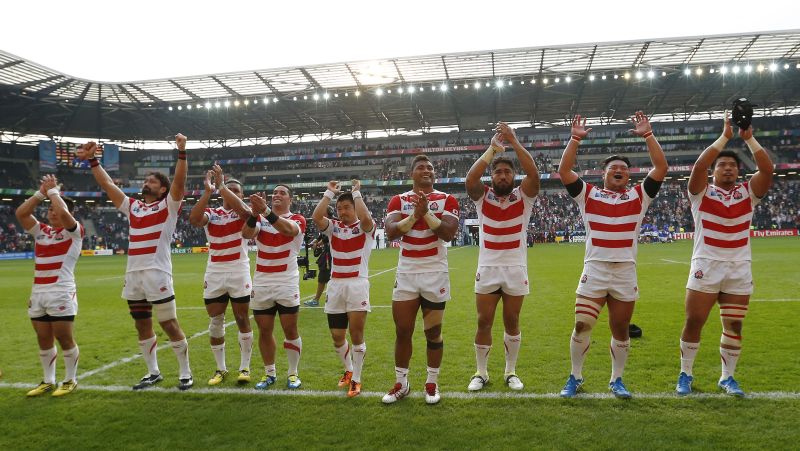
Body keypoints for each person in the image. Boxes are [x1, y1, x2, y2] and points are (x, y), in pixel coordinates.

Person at [557, 112, 667, 399]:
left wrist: (648, 135)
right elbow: (564, 171)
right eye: (613, 167)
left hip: (624, 271)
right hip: (595, 269)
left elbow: (661, 167)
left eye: (623, 168)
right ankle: (575, 376)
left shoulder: (639, 196)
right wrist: (575, 139)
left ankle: (617, 379)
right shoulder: (589, 194)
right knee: (582, 324)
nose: (619, 170)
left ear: (628, 175)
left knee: (620, 329)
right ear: (603, 174)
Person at [77, 136, 194, 390]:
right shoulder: (134, 207)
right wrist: (93, 160)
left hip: (157, 272)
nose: (146, 183)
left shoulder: (168, 205)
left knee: (169, 323)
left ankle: (185, 372)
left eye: (152, 181)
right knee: (141, 324)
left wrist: (182, 151)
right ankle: (153, 372)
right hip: (133, 275)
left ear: (162, 189)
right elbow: (107, 184)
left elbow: (179, 181)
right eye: (145, 180)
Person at [675, 114, 773, 397]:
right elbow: (699, 166)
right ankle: (685, 373)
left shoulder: (748, 193)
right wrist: (724, 137)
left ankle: (727, 378)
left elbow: (767, 170)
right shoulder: (700, 193)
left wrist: (748, 139)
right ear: (714, 171)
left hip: (738, 267)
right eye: (722, 165)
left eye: (732, 165)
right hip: (706, 264)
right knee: (694, 321)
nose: (727, 168)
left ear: (739, 171)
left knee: (734, 324)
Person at [464, 123, 540, 392]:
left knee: (512, 321)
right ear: (492, 176)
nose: (503, 176)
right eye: (498, 172)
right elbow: (470, 180)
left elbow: (534, 174)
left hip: (515, 268)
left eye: (508, 172)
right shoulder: (483, 197)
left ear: (514, 176)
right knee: (483, 321)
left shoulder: (524, 197)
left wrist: (514, 141)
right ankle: (481, 373)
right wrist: (492, 151)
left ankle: (510, 371)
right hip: (488, 268)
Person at [382, 154, 459, 405]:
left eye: (430, 167)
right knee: (403, 331)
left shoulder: (447, 199)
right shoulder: (398, 200)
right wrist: (416, 215)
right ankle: (401, 383)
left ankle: (432, 383)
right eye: (421, 167)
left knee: (433, 332)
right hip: (407, 273)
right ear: (411, 174)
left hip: (435, 273)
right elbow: (391, 232)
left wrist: (425, 214)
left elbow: (447, 233)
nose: (426, 170)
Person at [16, 175, 84, 397]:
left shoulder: (74, 232)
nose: (53, 212)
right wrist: (40, 193)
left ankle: (70, 379)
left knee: (64, 337)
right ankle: (48, 381)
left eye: (56, 209)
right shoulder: (41, 231)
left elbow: (64, 213)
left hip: (61, 292)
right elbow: (21, 214)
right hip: (38, 293)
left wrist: (54, 192)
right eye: (50, 209)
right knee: (43, 338)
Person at [188, 165, 254, 386]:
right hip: (215, 272)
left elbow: (247, 213)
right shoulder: (213, 213)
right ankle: (221, 368)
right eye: (229, 189)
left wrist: (223, 186)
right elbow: (194, 219)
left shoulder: (244, 212)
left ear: (241, 196)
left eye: (236, 191)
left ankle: (244, 367)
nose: (232, 193)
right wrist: (208, 191)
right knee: (215, 321)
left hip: (238, 270)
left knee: (242, 318)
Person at [312, 180, 375, 397]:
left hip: (357, 284)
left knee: (356, 335)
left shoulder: (364, 228)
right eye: (339, 208)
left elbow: (366, 219)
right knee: (337, 336)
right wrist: (329, 193)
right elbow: (316, 217)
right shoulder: (334, 228)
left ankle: (356, 378)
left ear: (355, 207)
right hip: (336, 286)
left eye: (346, 207)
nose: (342, 212)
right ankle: (348, 369)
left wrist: (356, 194)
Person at [240, 184, 306, 390]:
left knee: (290, 329)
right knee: (264, 330)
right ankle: (270, 373)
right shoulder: (260, 219)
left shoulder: (297, 219)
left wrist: (266, 211)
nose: (277, 195)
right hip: (262, 282)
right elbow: (246, 234)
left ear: (290, 199)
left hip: (286, 281)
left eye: (282, 193)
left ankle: (293, 373)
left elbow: (288, 230)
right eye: (275, 193)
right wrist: (254, 214)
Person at [304, 206, 333, 308]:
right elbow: (322, 235)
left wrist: (318, 243)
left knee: (323, 276)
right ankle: (328, 298)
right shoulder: (327, 222)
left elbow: (327, 236)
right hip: (329, 253)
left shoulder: (332, 222)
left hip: (331, 254)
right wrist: (315, 241)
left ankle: (317, 299)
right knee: (326, 276)